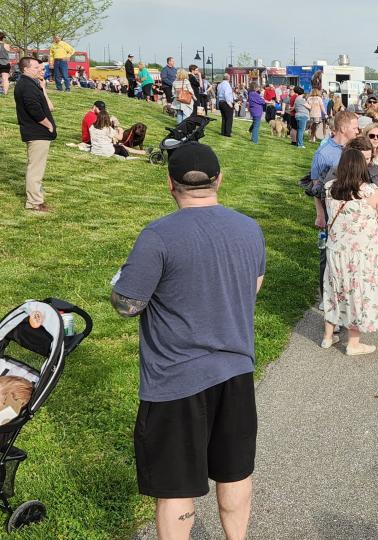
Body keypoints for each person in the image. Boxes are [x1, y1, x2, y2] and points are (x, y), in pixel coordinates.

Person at [111, 143, 264, 540]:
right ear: (218, 180)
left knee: (177, 487)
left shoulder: (158, 235)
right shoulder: (249, 229)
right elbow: (255, 286)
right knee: (235, 472)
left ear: (170, 184)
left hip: (175, 380)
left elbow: (127, 304)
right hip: (235, 371)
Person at [320, 149, 378, 355]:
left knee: (334, 290)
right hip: (362, 254)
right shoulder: (371, 192)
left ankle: (328, 336)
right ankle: (353, 342)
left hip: (336, 251)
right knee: (357, 293)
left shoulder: (329, 189)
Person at [309, 111, 360, 296]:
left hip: (352, 214)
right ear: (344, 128)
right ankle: (326, 296)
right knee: (328, 255)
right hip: (332, 214)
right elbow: (315, 187)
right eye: (355, 127)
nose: (357, 130)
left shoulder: (354, 149)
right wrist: (320, 214)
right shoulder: (324, 153)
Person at [14, 56, 56, 213]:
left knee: (37, 168)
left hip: (37, 132)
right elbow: (34, 109)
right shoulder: (26, 85)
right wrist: (48, 124)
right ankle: (34, 203)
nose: (40, 70)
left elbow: (46, 106)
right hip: (36, 132)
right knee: (35, 169)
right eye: (36, 67)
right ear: (26, 69)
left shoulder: (30, 84)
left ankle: (37, 199)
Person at [0, 32, 11, 96]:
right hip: (5, 63)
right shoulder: (7, 45)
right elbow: (8, 51)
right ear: (3, 38)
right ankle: (5, 93)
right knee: (5, 78)